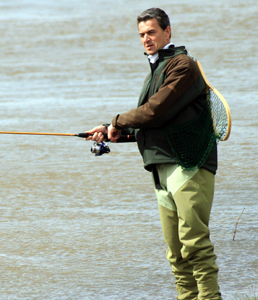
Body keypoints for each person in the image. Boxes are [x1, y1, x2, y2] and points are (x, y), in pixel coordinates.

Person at [85, 8, 222, 300]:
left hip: (189, 164)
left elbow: (155, 110)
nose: (146, 39)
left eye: (151, 32)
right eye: (142, 35)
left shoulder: (183, 65)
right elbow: (153, 124)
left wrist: (116, 122)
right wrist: (112, 131)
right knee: (176, 254)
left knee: (195, 245)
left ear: (167, 32)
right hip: (162, 170)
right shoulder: (156, 70)